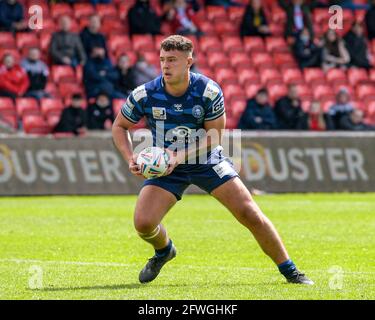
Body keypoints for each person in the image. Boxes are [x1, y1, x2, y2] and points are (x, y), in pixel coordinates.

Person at [112, 35, 313, 285]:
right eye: (162, 59)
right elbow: (119, 126)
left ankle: (291, 271)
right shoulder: (145, 93)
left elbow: (216, 136)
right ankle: (164, 251)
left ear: (189, 62)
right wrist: (130, 156)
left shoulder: (208, 91)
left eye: (172, 60)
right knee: (143, 223)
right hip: (167, 167)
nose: (165, 65)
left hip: (206, 160)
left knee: (249, 212)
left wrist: (179, 156)